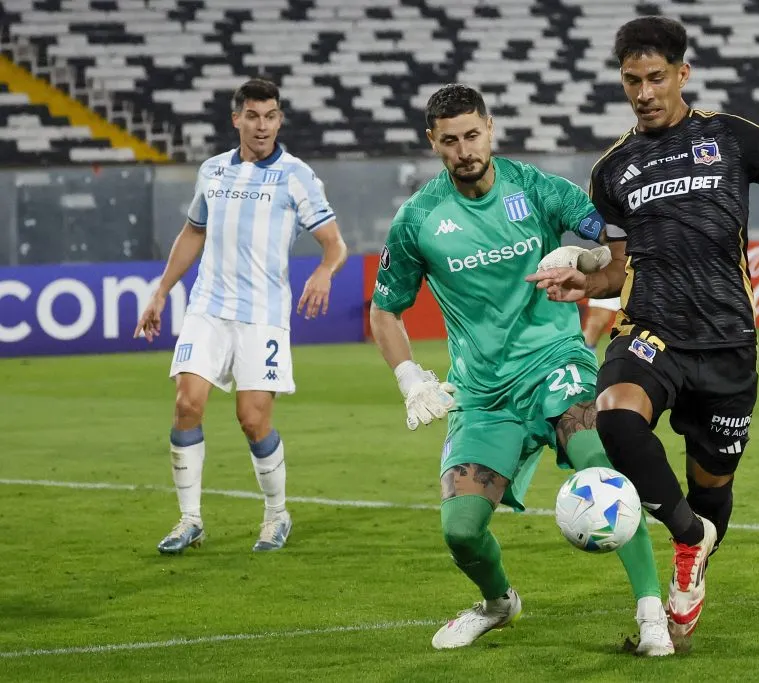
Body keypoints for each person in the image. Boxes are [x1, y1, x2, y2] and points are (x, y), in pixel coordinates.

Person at [527, 16, 759, 643]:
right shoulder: (612, 169)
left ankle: (693, 557)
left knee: (712, 485)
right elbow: (617, 266)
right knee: (615, 416)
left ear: (682, 74)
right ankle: (690, 536)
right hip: (651, 329)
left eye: (655, 78)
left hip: (727, 339)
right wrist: (586, 283)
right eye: (631, 81)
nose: (643, 93)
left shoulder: (728, 135)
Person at [369, 84, 674, 655]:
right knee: (461, 531)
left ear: (490, 128)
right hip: (483, 392)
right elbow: (385, 309)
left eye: (472, 135)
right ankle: (497, 603)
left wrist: (587, 258)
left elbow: (616, 237)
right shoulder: (419, 219)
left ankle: (652, 611)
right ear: (433, 142)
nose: (465, 150)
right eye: (450, 140)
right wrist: (409, 378)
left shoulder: (536, 188)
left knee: (602, 470)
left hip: (556, 363)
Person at [135, 78, 347, 555]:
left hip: (263, 316)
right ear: (237, 120)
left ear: (280, 120)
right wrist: (161, 292)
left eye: (271, 116)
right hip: (208, 308)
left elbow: (335, 244)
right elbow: (193, 232)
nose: (262, 126)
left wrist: (324, 272)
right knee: (186, 404)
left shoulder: (296, 175)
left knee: (252, 419)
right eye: (253, 116)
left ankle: (276, 514)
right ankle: (190, 519)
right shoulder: (212, 171)